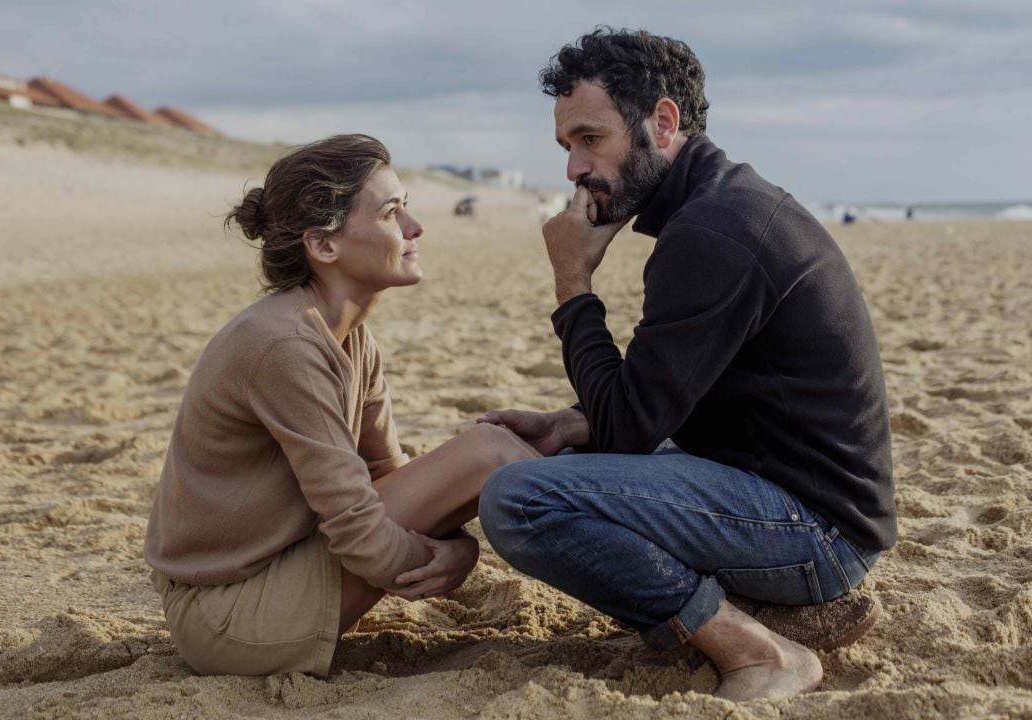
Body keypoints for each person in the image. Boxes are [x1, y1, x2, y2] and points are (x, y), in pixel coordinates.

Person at [477, 29, 896, 702]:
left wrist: (571, 280)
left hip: (820, 532)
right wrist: (575, 422)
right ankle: (755, 612)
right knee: (555, 462)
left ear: (662, 122)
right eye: (566, 146)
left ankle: (759, 652)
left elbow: (629, 430)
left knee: (520, 501)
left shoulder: (712, 231)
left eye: (591, 139)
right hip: (781, 491)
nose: (574, 170)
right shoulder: (718, 206)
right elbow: (662, 397)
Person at [144, 134, 538, 678]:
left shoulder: (349, 337)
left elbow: (387, 477)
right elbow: (358, 529)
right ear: (323, 245)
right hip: (227, 616)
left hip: (280, 571)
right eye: (392, 213)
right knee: (489, 452)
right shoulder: (285, 344)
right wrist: (439, 561)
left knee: (490, 456)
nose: (415, 228)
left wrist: (461, 552)